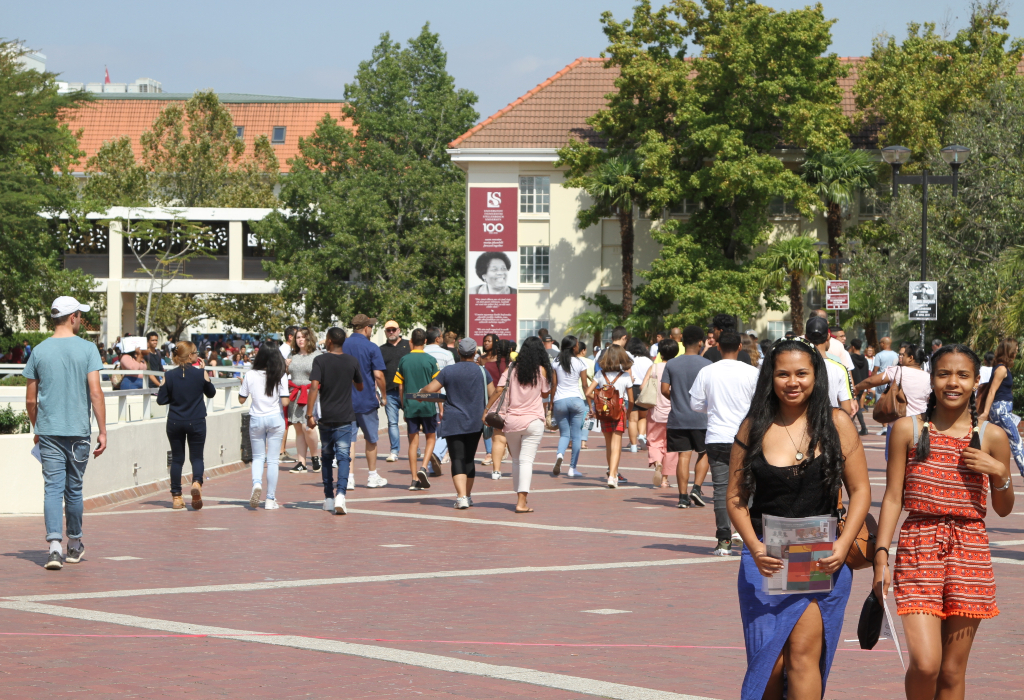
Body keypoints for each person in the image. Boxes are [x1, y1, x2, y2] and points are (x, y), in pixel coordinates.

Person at [728, 337, 870, 700]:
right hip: (766, 559)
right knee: (770, 662)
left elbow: (860, 492)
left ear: (816, 376)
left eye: (802, 373)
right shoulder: (753, 426)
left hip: (819, 554)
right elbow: (735, 498)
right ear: (770, 378)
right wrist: (755, 548)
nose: (793, 382)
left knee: (804, 656)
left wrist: (841, 545)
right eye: (783, 374)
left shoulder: (837, 423)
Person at [873, 345, 1014, 700]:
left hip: (970, 553)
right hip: (918, 548)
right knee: (926, 664)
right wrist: (880, 556)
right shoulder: (909, 429)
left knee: (952, 672)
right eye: (944, 374)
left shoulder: (992, 436)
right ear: (932, 379)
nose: (953, 383)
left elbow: (1004, 508)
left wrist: (1000, 473)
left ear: (976, 382)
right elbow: (892, 497)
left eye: (962, 375)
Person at [23, 297, 107, 571]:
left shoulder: (38, 350)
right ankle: (74, 544)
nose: (81, 319)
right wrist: (103, 430)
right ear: (73, 317)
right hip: (78, 432)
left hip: (48, 431)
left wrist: (37, 427)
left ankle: (54, 548)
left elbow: (30, 401)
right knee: (74, 490)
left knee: (52, 489)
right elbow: (95, 392)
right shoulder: (88, 349)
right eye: (80, 315)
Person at [689, 331, 759, 555]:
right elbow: (761, 406)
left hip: (717, 436)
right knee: (748, 487)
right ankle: (744, 534)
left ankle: (724, 541)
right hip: (746, 437)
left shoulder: (707, 371)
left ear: (718, 347)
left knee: (721, 490)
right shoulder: (752, 372)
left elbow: (695, 404)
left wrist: (713, 408)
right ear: (740, 347)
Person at [418, 338, 494, 508]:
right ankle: (467, 495)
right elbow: (493, 393)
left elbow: (430, 389)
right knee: (469, 458)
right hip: (475, 420)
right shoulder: (482, 371)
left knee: (457, 458)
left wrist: (421, 393)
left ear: (458, 352)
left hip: (453, 420)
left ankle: (461, 497)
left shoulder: (448, 371)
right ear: (475, 353)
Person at [485, 336, 553, 510]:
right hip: (533, 421)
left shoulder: (512, 368)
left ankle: (520, 499)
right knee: (526, 461)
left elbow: (499, 390)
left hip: (512, 421)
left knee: (516, 461)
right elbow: (545, 394)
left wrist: (486, 410)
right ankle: (521, 502)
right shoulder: (542, 371)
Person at [306, 327, 365, 515]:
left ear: (329, 341)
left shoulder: (320, 360)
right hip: (346, 416)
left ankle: (328, 498)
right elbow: (360, 385)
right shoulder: (352, 361)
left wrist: (309, 414)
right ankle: (341, 495)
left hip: (326, 417)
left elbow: (314, 387)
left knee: (326, 456)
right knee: (343, 456)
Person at [661, 325, 711, 508]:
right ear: (700, 342)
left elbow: (664, 389)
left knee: (683, 456)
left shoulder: (672, 363)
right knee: (705, 453)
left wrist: (676, 397)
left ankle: (682, 497)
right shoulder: (707, 365)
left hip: (678, 418)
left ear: (681, 341)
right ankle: (696, 488)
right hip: (701, 418)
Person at [855, 343, 932, 459]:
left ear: (911, 358)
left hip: (897, 423)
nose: (901, 358)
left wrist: (857, 387)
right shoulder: (928, 377)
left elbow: (871, 381)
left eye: (904, 355)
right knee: (915, 460)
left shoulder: (897, 371)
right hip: (920, 423)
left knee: (893, 461)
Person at [239, 342, 290, 510]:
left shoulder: (250, 375)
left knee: (258, 457)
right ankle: (270, 499)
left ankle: (256, 484)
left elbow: (241, 399)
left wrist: (244, 385)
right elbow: (285, 401)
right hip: (275, 418)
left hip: (256, 418)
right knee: (273, 460)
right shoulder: (280, 374)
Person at [344, 314, 389, 489]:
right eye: (370, 327)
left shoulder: (343, 345)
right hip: (366, 399)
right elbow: (378, 375)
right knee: (371, 439)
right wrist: (383, 396)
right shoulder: (371, 347)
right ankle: (372, 475)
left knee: (349, 440)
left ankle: (349, 477)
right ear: (365, 328)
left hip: (346, 401)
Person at [395, 329, 439, 490]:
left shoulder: (404, 360)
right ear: (425, 341)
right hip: (428, 404)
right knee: (431, 437)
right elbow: (437, 386)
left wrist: (403, 405)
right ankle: (424, 467)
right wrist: (440, 406)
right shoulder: (431, 360)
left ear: (411, 341)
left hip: (410, 404)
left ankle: (414, 479)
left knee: (413, 442)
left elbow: (400, 386)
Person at [586, 344, 633, 488]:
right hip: (619, 410)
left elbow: (588, 392)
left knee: (608, 444)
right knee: (616, 444)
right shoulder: (625, 376)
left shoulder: (600, 374)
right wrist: (628, 413)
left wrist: (594, 406)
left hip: (604, 409)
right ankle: (613, 476)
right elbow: (631, 400)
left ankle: (611, 472)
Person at [979, 338, 1023, 477]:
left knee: (996, 441)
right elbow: (992, 391)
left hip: (1004, 409)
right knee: (1017, 441)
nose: (1016, 353)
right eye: (1015, 350)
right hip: (1000, 409)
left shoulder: (1002, 367)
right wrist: (985, 412)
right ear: (1008, 351)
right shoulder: (1001, 369)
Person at [551, 335, 589, 478]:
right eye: (577, 344)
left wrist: (551, 404)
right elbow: (585, 386)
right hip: (576, 400)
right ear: (574, 347)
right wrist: (590, 404)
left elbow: (553, 384)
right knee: (576, 435)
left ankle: (560, 454)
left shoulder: (556, 361)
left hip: (560, 400)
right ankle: (572, 468)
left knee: (564, 434)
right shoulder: (580, 363)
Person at [286, 328, 322, 474]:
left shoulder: (317, 355)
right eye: (298, 337)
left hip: (310, 393)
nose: (300, 340)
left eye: (303, 337)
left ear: (309, 339)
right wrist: (285, 366)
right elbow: (285, 373)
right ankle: (301, 462)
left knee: (309, 427)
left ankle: (315, 457)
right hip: (294, 393)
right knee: (298, 429)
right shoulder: (292, 355)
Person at [644, 338, 679, 489]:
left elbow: (643, 387)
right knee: (671, 445)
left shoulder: (654, 368)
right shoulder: (677, 368)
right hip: (674, 413)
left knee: (654, 441)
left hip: (654, 412)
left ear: (660, 353)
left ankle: (657, 463)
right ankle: (665, 479)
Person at [804, 317, 855, 416]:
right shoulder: (840, 368)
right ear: (828, 336)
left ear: (806, 337)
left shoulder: (797, 366)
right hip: (829, 424)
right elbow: (846, 408)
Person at [380, 320, 411, 464]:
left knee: (411, 420)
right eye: (388, 330)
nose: (391, 332)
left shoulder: (408, 346)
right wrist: (381, 393)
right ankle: (394, 451)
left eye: (393, 330)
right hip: (390, 392)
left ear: (399, 330)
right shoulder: (381, 349)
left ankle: (414, 448)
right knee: (392, 423)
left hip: (407, 391)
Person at [425, 327, 455, 475]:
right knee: (445, 430)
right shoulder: (447, 354)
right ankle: (436, 454)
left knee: (429, 433)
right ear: (437, 339)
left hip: (422, 398)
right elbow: (451, 377)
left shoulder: (420, 354)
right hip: (441, 397)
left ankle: (430, 465)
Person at [483, 339, 514, 475]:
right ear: (511, 351)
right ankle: (518, 467)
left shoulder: (488, 366)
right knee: (514, 440)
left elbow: (496, 389)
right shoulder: (514, 367)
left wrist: (487, 408)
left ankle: (496, 471)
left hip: (497, 405)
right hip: (514, 404)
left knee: (498, 439)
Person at [626, 336, 652, 452]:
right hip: (644, 389)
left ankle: (633, 446)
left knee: (632, 420)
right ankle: (642, 435)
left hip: (631, 389)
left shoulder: (629, 359)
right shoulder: (648, 361)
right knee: (643, 417)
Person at [848, 338, 870, 435]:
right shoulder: (865, 359)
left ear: (853, 347)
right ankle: (855, 427)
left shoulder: (851, 358)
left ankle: (863, 428)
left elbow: (850, 372)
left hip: (854, 385)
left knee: (855, 407)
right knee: (857, 406)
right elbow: (866, 373)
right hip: (862, 384)